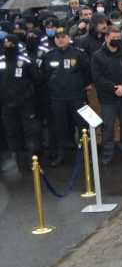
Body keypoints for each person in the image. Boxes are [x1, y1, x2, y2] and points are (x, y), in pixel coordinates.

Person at [41, 28, 91, 167]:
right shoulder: (49, 55)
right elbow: (45, 75)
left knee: (82, 127)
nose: (60, 40)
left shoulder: (78, 54)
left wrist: (84, 85)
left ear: (69, 38)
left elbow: (87, 72)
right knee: (60, 128)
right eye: (57, 37)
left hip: (76, 97)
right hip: (58, 98)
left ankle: (87, 154)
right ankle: (61, 154)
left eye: (63, 37)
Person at [91, 26, 122, 164]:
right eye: (114, 38)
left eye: (119, 38)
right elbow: (97, 77)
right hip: (108, 98)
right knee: (108, 127)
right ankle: (108, 154)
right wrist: (113, 88)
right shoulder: (98, 56)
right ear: (106, 38)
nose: (117, 41)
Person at [0, 33, 40, 173]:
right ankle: (19, 161)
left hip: (25, 104)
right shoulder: (1, 60)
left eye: (10, 44)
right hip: (6, 104)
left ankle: (33, 160)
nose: (7, 46)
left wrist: (29, 96)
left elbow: (37, 80)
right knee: (12, 132)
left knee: (29, 132)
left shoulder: (25, 61)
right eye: (5, 43)